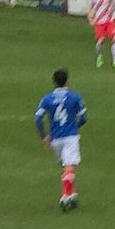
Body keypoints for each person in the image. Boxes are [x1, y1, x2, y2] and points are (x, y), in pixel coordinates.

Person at [34, 67, 87, 211]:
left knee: (66, 167)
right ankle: (65, 196)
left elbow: (38, 119)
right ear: (67, 81)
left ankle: (72, 193)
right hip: (70, 136)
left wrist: (44, 136)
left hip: (55, 139)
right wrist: (74, 125)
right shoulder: (75, 97)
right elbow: (83, 118)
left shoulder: (47, 99)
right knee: (70, 167)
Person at [87, 0, 115, 69]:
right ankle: (99, 57)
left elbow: (114, 3)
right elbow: (89, 9)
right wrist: (90, 19)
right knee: (101, 41)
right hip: (99, 22)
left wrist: (112, 10)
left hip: (110, 21)